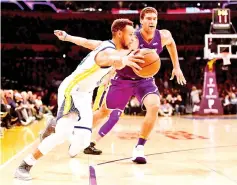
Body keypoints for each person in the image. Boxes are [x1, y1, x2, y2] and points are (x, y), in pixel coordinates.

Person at [41, 7, 186, 164]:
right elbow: (100, 47)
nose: (152, 21)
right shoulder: (131, 39)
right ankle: (69, 129)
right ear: (142, 20)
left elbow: (171, 44)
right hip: (122, 79)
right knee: (103, 112)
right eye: (148, 18)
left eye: (154, 18)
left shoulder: (163, 35)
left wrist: (176, 66)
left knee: (154, 106)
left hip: (144, 80)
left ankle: (139, 148)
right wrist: (69, 38)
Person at [14, 18, 144, 180]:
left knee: (83, 143)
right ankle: (25, 165)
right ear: (119, 33)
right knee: (62, 135)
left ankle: (54, 124)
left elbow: (87, 42)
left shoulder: (105, 44)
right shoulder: (107, 52)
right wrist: (125, 58)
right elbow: (107, 59)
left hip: (84, 95)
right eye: (130, 34)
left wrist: (68, 37)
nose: (133, 37)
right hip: (72, 90)